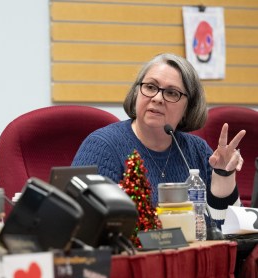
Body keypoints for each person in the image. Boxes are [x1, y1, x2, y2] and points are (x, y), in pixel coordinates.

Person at [72, 53, 245, 225]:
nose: (157, 98)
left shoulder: (197, 151)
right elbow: (83, 229)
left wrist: (224, 175)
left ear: (188, 107)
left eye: (171, 93)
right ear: (136, 92)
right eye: (150, 87)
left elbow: (226, 232)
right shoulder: (102, 148)